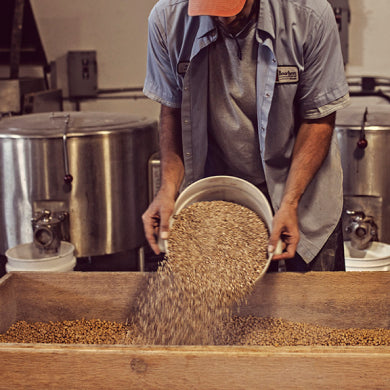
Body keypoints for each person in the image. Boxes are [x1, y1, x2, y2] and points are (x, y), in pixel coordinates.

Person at [142, 0, 350, 272]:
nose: (226, 20)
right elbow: (172, 111)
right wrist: (167, 189)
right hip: (223, 205)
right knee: (228, 311)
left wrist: (289, 202)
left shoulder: (309, 14)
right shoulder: (167, 19)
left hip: (303, 198)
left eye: (234, 7)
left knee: (314, 310)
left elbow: (318, 119)